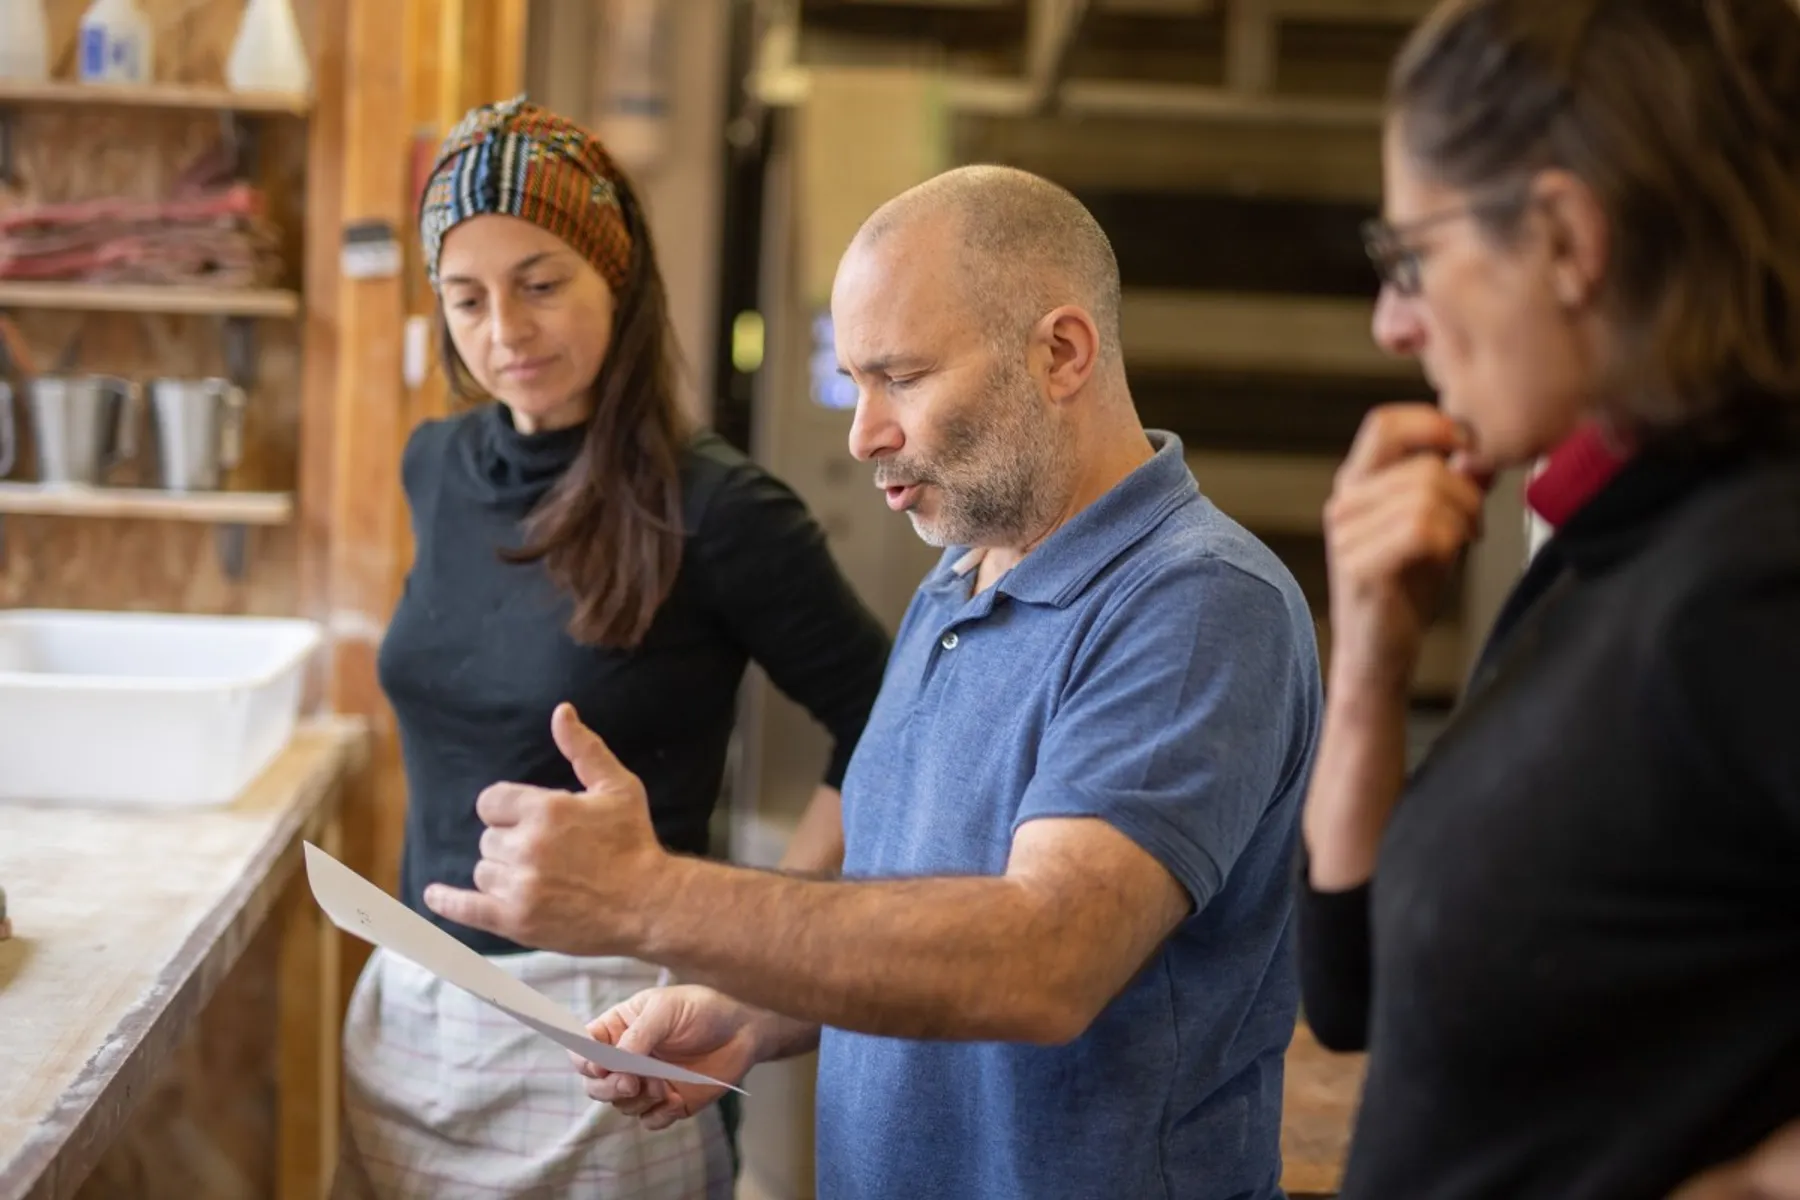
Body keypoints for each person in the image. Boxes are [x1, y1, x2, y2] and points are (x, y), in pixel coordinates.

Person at [421, 163, 1324, 1200]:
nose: (863, 435)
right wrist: (752, 1010)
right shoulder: (959, 580)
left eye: (901, 376)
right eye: (854, 381)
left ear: (1062, 353)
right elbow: (915, 910)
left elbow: (1046, 960)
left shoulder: (1196, 602)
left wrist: (651, 898)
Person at [331, 97, 892, 1199]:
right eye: (466, 298)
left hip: (604, 1029)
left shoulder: (719, 507)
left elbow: (887, 717)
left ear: (617, 276)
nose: (505, 330)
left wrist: (765, 936)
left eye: (541, 284)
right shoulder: (435, 466)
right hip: (411, 1006)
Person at [1295, 1, 1800, 1197]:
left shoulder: (1753, 577)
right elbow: (1353, 987)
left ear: (1568, 239)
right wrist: (1370, 661)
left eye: (1412, 258)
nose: (1392, 322)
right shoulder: (1598, 561)